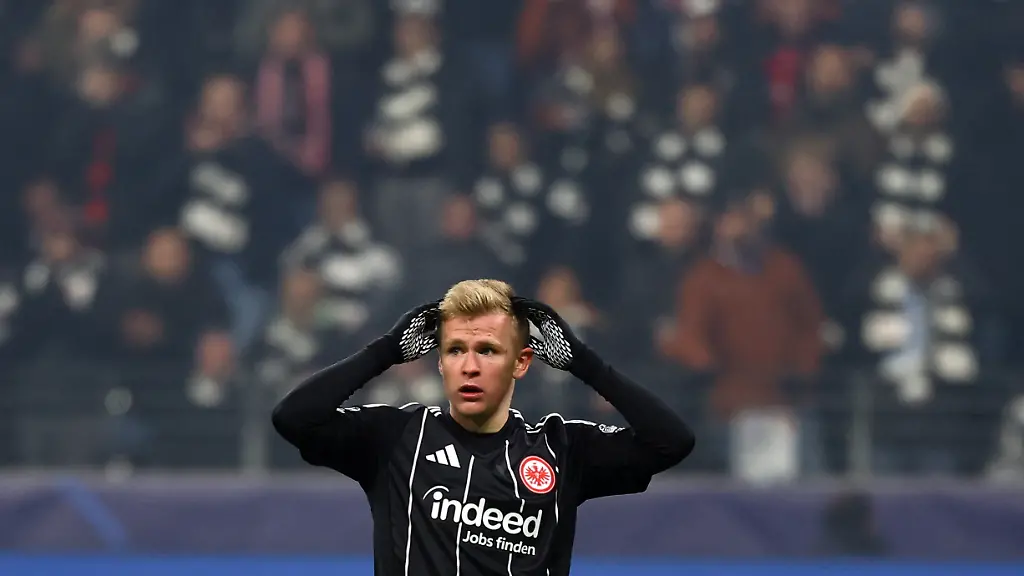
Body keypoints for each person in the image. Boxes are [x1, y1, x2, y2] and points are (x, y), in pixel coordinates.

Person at [272, 279, 695, 575]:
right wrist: (384, 351)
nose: (469, 367)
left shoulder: (561, 448)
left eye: (488, 350)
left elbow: (672, 442)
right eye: (455, 350)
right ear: (439, 362)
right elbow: (293, 418)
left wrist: (583, 364)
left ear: (522, 362)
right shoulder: (395, 437)